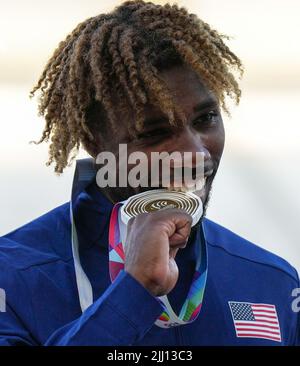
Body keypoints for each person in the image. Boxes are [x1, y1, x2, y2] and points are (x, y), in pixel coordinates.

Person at [0, 0, 299, 346]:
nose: (195, 153)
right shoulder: (12, 278)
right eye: (155, 133)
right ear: (94, 142)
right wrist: (134, 290)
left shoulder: (272, 282)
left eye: (205, 119)